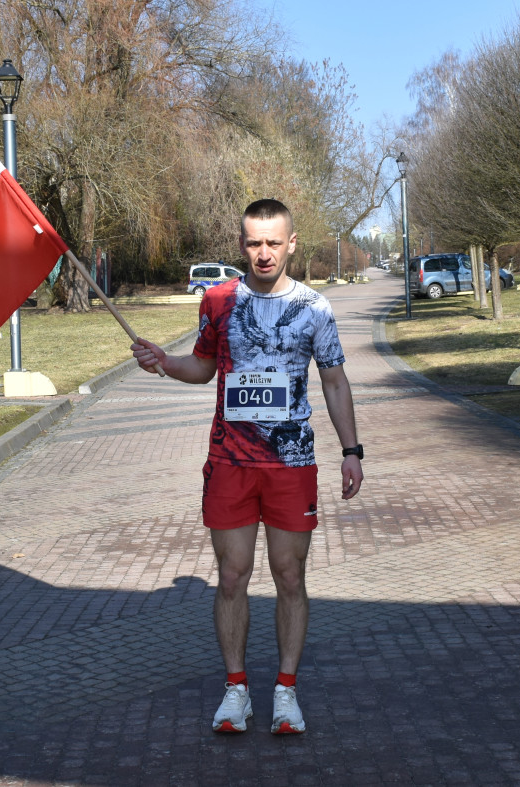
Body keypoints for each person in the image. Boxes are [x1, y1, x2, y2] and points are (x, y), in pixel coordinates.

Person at [131, 199, 363, 735]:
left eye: (273, 243)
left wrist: (351, 451)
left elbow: (333, 381)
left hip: (291, 463)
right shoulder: (218, 301)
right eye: (254, 243)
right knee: (232, 576)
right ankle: (236, 690)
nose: (264, 253)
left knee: (289, 574)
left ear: (292, 244)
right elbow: (204, 367)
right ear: (241, 245)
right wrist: (163, 363)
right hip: (230, 462)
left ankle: (285, 692)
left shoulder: (315, 309)